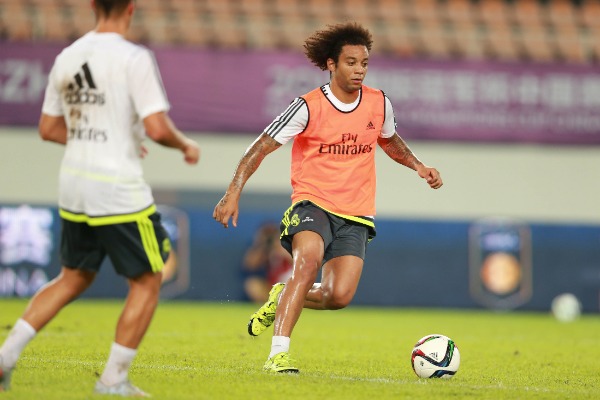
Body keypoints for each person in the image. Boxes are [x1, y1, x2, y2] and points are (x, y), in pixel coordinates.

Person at [213, 22, 442, 374]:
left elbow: (389, 139)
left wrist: (418, 165)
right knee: (307, 263)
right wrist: (233, 192)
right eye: (351, 62)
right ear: (331, 64)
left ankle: (281, 296)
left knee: (339, 296)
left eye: (364, 63)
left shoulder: (379, 103)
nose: (359, 70)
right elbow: (260, 147)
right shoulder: (307, 106)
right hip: (312, 203)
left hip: (357, 212)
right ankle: (278, 355)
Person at [0, 0, 200, 396]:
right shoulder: (133, 57)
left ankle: (5, 356)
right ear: (131, 8)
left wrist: (106, 140)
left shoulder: (68, 55)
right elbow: (157, 128)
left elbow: (47, 128)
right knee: (148, 279)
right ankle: (113, 379)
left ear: (92, 6)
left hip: (74, 183)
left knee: (73, 276)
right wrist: (184, 145)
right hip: (117, 187)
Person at [242, 223, 293, 303]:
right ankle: (266, 309)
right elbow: (250, 264)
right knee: (252, 284)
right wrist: (261, 244)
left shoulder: (287, 246)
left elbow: (299, 263)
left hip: (289, 285)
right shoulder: (266, 251)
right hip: (272, 287)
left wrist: (281, 249)